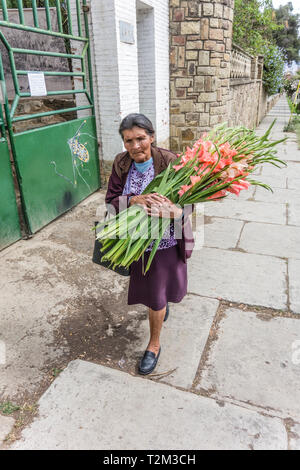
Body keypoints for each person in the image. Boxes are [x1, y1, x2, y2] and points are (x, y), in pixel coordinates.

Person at [105, 113, 194, 375]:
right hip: (135, 243)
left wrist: (175, 213)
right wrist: (132, 201)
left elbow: (189, 204)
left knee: (155, 297)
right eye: (128, 140)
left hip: (164, 243)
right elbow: (110, 200)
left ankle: (154, 345)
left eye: (140, 139)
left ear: (152, 137)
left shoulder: (170, 161)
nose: (135, 146)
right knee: (152, 290)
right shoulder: (121, 163)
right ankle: (161, 307)